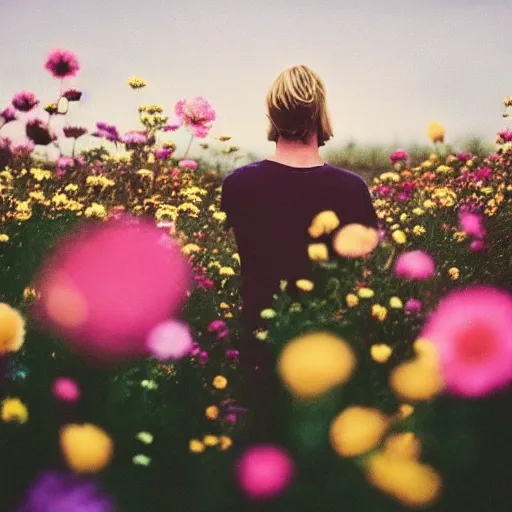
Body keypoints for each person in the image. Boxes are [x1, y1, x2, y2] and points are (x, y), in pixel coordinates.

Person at [220, 64, 378, 441]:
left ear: (272, 116)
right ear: (321, 115)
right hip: (330, 346)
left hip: (258, 341)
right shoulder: (352, 189)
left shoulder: (239, 185)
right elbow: (365, 273)